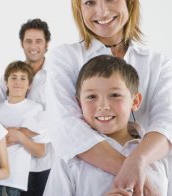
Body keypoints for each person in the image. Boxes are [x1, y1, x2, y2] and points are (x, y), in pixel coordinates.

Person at [47, 0, 172, 195]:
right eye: (89, 2)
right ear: (79, 9)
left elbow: (167, 123)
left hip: (156, 170)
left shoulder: (158, 63)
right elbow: (67, 127)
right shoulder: (65, 58)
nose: (102, 11)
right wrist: (139, 181)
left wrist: (139, 161)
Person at [44, 55, 170, 195]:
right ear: (80, 104)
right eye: (92, 97)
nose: (103, 106)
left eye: (115, 95)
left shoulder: (160, 155)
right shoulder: (69, 158)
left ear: (135, 101)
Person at [0, 18, 52, 196]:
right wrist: (4, 134)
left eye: (38, 41)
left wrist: (19, 134)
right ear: (22, 44)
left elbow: (57, 117)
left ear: (46, 44)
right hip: (9, 163)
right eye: (28, 41)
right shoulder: (10, 75)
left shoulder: (55, 77)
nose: (33, 46)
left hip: (42, 163)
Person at [0, 61, 49, 196]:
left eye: (23, 78)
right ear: (6, 82)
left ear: (29, 84)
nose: (18, 82)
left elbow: (40, 151)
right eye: (13, 77)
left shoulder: (35, 109)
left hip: (15, 181)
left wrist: (19, 136)